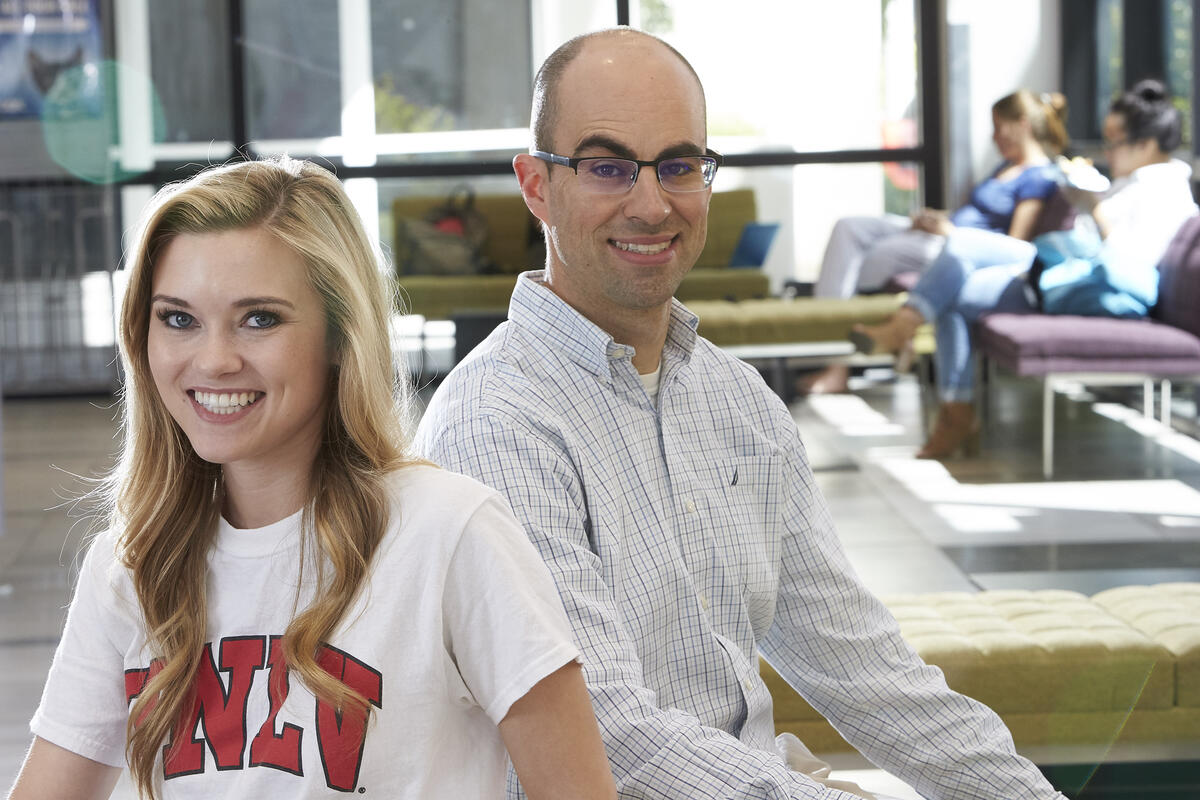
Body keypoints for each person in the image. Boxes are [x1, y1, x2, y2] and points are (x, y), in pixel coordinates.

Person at [415, 27, 1065, 800]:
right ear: (535, 185)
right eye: (608, 167)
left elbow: (859, 662)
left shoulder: (736, 400)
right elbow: (608, 737)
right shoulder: (495, 424)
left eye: (679, 165)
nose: (652, 204)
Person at [7, 157, 616, 800]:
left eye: (260, 318)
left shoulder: (450, 534)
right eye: (178, 318)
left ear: (339, 336)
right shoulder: (132, 566)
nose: (213, 360)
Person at [850, 79, 1198, 459]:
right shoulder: (1129, 183)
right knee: (955, 296)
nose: (1106, 150)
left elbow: (1129, 266)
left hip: (1092, 292)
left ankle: (904, 328)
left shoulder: (1164, 192)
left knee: (962, 244)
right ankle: (956, 410)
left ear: (1145, 145)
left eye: (1113, 141)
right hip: (1064, 279)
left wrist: (1093, 207)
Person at [804, 89, 1070, 394]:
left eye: (999, 128)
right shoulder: (1004, 168)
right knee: (848, 228)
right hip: (945, 235)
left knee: (870, 260)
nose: (994, 137)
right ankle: (863, 350)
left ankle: (873, 345)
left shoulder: (1040, 177)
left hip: (958, 247)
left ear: (1022, 124)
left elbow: (1013, 242)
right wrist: (936, 220)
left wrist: (950, 234)